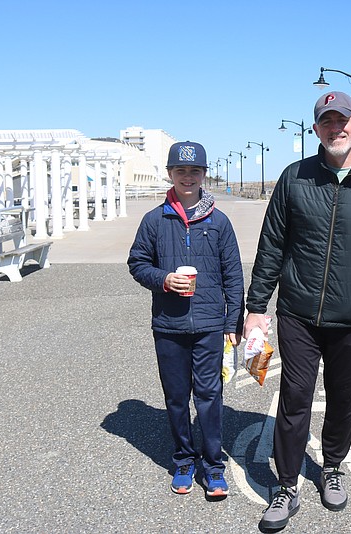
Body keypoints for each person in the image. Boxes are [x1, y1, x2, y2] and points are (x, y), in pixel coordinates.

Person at [244, 92, 351, 529]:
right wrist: (256, 308)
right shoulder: (294, 178)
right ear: (317, 128)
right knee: (294, 399)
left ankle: (333, 466)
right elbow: (271, 247)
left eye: (343, 120)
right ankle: (286, 486)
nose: (335, 128)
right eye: (326, 121)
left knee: (343, 399)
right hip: (299, 315)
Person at [128, 141, 244, 498]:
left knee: (209, 395)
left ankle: (213, 467)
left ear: (204, 175)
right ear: (170, 175)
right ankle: (183, 460)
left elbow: (234, 275)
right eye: (181, 171)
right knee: (177, 397)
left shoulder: (219, 222)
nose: (188, 177)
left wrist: (232, 324)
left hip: (209, 325)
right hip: (169, 324)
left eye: (195, 171)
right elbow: (137, 264)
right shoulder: (154, 220)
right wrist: (163, 279)